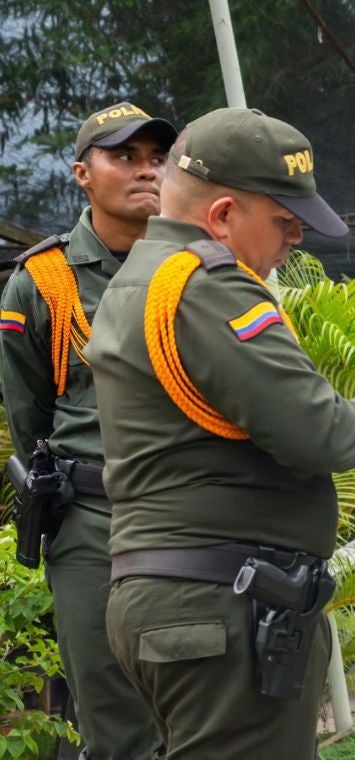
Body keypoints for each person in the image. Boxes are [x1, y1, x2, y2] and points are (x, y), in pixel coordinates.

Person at [86, 108, 355, 758]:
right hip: (222, 606)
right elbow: (320, 432)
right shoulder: (210, 287)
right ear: (222, 216)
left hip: (178, 600)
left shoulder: (140, 278)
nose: (296, 238)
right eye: (284, 221)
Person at [0, 101, 177, 760]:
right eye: (124, 156)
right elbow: (29, 421)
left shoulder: (201, 267)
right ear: (82, 174)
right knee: (116, 725)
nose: (146, 170)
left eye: (157, 158)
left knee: (207, 716)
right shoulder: (42, 282)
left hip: (195, 516)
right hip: (92, 523)